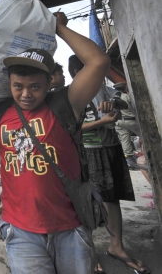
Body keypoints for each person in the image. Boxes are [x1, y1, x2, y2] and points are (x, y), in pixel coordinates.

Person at [0, 12, 108, 274]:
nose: (26, 94)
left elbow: (98, 61)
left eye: (35, 87)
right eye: (18, 86)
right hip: (21, 231)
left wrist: (60, 28)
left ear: (49, 82)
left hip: (69, 227)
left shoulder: (64, 104)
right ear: (10, 83)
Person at [69, 56, 149, 274]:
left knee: (112, 200)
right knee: (86, 203)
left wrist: (114, 105)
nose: (99, 73)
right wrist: (101, 122)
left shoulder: (103, 89)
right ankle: (90, 252)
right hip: (87, 153)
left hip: (110, 148)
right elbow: (70, 128)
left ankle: (117, 247)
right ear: (78, 72)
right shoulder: (70, 95)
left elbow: (122, 101)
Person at [113, 82, 147, 171]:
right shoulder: (127, 96)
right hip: (130, 120)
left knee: (125, 140)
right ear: (124, 88)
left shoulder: (113, 97)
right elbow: (135, 109)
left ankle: (130, 161)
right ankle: (149, 156)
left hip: (118, 121)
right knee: (145, 137)